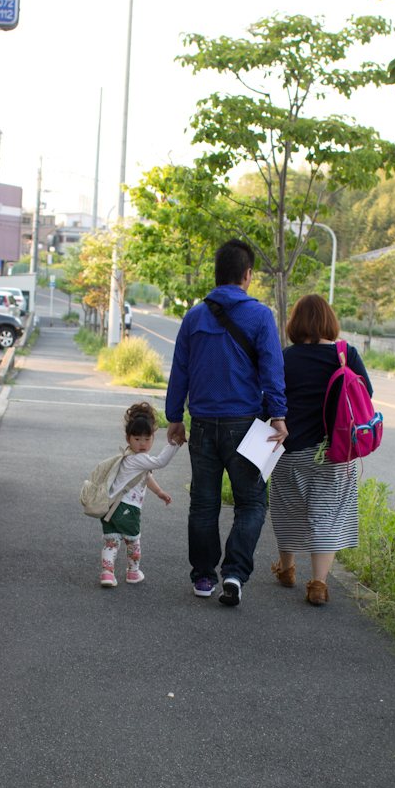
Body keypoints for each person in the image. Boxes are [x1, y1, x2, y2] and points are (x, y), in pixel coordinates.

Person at [165, 238, 287, 606]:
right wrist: (278, 415)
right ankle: (234, 573)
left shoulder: (194, 317)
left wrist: (175, 417)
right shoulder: (261, 316)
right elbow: (272, 369)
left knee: (203, 504)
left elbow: (180, 370)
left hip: (202, 424)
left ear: (217, 275)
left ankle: (204, 577)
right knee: (251, 503)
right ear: (247, 275)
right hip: (245, 426)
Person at [269, 293, 373, 605]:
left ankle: (286, 570)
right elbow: (366, 392)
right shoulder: (345, 354)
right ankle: (318, 584)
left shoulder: (286, 357)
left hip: (289, 450)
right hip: (334, 452)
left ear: (295, 323)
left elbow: (270, 400)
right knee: (326, 516)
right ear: (329, 321)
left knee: (287, 511)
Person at [100, 402, 179, 587]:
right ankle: (133, 572)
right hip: (128, 508)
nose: (143, 443)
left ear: (152, 438)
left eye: (147, 438)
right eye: (137, 438)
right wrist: (175, 444)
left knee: (111, 542)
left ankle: (107, 574)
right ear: (128, 438)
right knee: (133, 541)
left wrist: (159, 492)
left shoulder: (127, 456)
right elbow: (160, 462)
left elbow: (145, 477)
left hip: (110, 507)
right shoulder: (140, 458)